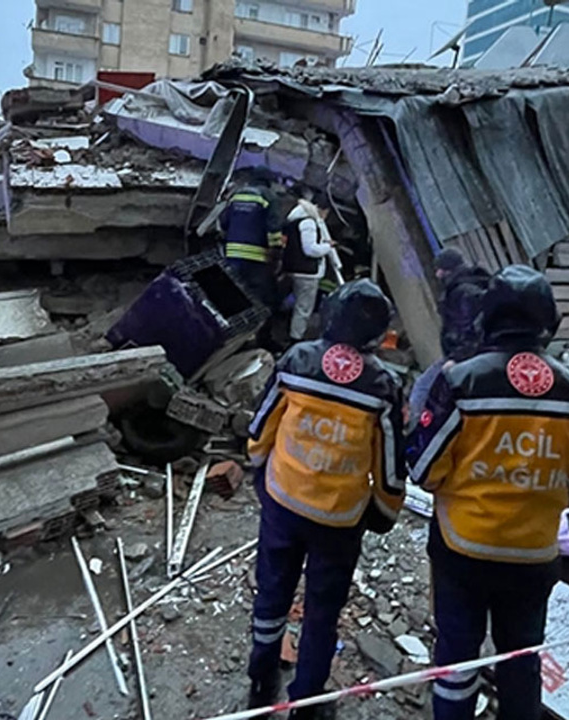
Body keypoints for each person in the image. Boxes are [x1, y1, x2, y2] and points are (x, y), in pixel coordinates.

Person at [406, 266, 569, 720]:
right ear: (549, 324)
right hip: (532, 559)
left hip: (462, 552)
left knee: (458, 662)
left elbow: (424, 471)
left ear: (486, 318)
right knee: (521, 663)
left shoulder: (460, 381)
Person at [245, 280, 405, 719]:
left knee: (272, 594)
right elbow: (390, 464)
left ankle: (261, 681)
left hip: (283, 502)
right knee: (322, 610)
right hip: (338, 520)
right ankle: (308, 700)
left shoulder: (296, 361)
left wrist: (261, 471)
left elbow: (260, 430)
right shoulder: (383, 385)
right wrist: (386, 509)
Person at [408, 248, 492, 422]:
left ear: (449, 269)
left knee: (423, 389)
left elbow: (474, 331)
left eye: (440, 269)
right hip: (466, 356)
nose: (437, 274)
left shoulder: (465, 293)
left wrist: (456, 358)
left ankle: (417, 434)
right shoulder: (466, 288)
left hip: (463, 357)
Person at [281, 190, 342, 341]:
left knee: (290, 302)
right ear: (323, 209)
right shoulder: (309, 222)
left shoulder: (296, 219)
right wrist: (328, 247)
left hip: (293, 269)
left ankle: (284, 332)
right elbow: (310, 249)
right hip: (307, 272)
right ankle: (295, 338)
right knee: (303, 308)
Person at [221, 180, 284, 309]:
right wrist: (276, 251)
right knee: (257, 297)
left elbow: (223, 222)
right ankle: (253, 324)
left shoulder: (236, 196)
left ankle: (230, 325)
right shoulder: (269, 196)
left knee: (233, 294)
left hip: (232, 254)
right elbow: (273, 227)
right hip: (256, 257)